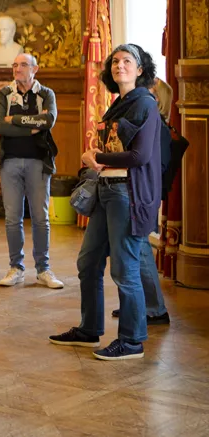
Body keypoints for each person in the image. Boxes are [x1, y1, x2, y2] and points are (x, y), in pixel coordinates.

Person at [50, 44, 162, 360]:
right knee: (88, 262)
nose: (120, 65)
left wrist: (97, 157)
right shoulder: (119, 105)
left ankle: (132, 340)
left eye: (128, 61)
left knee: (125, 270)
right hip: (107, 190)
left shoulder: (145, 105)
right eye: (115, 61)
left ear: (141, 70)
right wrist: (97, 159)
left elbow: (140, 156)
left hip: (128, 193)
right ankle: (89, 330)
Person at [0, 53, 64, 289]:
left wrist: (14, 119)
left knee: (40, 217)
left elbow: (49, 121)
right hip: (10, 161)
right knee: (13, 218)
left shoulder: (46, 94)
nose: (17, 68)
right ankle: (16, 268)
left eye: (23, 65)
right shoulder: (4, 93)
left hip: (38, 161)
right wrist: (30, 127)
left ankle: (43, 269)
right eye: (14, 65)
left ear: (35, 69)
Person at [110, 74, 171, 325]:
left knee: (139, 253)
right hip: (139, 192)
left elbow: (148, 162)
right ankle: (150, 307)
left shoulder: (158, 126)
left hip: (142, 194)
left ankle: (153, 310)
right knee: (141, 250)